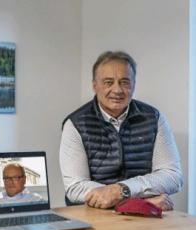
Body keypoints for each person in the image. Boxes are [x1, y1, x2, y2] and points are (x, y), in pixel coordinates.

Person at [59, 50, 182, 211]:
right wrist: (137, 204)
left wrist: (122, 190)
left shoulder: (154, 118)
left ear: (134, 84)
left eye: (124, 82)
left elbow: (173, 177)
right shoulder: (75, 124)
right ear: (94, 86)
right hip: (93, 217)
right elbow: (75, 187)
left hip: (147, 217)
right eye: (108, 82)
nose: (117, 90)